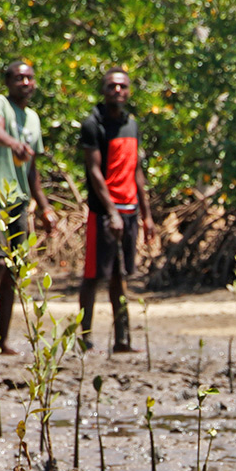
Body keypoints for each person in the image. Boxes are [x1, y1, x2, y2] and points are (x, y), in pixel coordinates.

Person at [0, 60, 55, 354]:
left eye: (29, 78)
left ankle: (2, 340)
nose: (25, 83)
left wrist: (45, 208)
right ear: (8, 81)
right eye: (18, 78)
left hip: (19, 202)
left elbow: (32, 172)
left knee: (14, 272)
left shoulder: (32, 118)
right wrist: (13, 144)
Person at [77, 67, 153, 353]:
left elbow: (136, 171)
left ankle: (122, 340)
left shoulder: (132, 124)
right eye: (112, 86)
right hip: (103, 212)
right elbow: (95, 172)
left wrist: (147, 216)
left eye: (122, 86)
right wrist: (111, 212)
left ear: (129, 91)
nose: (117, 91)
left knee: (121, 275)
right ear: (104, 90)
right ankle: (84, 337)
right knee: (93, 275)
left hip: (131, 209)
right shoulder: (92, 124)